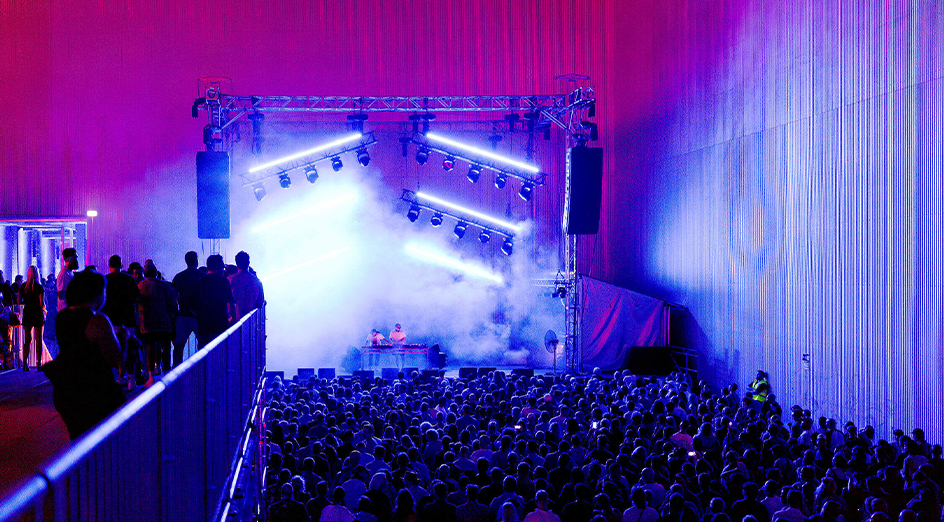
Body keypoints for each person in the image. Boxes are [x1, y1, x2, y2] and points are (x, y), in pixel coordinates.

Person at [43, 269, 125, 439]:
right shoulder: (98, 320)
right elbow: (114, 357)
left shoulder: (62, 317)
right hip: (94, 390)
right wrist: (123, 339)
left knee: (79, 440)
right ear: (96, 294)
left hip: (66, 390)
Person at [102, 255, 141, 387]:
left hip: (111, 321)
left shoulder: (105, 280)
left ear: (109, 265)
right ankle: (131, 379)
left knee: (112, 349)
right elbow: (137, 298)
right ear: (121, 265)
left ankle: (117, 377)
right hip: (128, 319)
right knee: (129, 349)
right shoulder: (129, 279)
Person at [138, 263, 177, 385]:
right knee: (165, 347)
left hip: (147, 322)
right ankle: (166, 372)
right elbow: (170, 303)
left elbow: (138, 303)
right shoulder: (164, 285)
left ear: (145, 273)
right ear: (156, 272)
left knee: (150, 348)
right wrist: (172, 315)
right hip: (163, 321)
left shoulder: (140, 285)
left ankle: (150, 376)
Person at [171, 251, 206, 366]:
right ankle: (202, 367)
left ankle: (176, 370)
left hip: (183, 314)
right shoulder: (202, 276)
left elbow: (173, 297)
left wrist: (175, 313)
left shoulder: (179, 276)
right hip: (198, 316)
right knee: (202, 343)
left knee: (179, 345)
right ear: (196, 260)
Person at [194, 254, 235, 348]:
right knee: (220, 354)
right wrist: (233, 321)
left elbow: (193, 304)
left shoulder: (199, 282)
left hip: (203, 326)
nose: (223, 269)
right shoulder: (224, 281)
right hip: (220, 324)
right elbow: (231, 303)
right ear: (216, 267)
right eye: (222, 266)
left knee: (203, 354)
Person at [19, 266, 46, 370]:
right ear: (37, 273)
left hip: (27, 313)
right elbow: (41, 303)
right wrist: (45, 310)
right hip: (37, 313)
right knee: (38, 339)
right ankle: (39, 363)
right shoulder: (39, 287)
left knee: (27, 339)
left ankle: (25, 362)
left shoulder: (23, 287)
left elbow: (19, 300)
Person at [228, 250, 264, 321]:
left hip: (233, 322)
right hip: (250, 322)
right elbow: (260, 302)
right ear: (248, 263)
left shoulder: (229, 280)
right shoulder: (257, 281)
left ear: (237, 263)